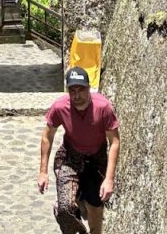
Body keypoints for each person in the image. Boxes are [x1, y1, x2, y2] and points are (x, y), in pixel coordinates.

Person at [37, 66, 120, 234]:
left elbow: (114, 142)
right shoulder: (60, 107)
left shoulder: (103, 107)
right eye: (72, 90)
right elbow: (47, 136)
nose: (77, 95)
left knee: (95, 203)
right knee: (65, 210)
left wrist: (109, 179)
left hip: (96, 159)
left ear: (89, 88)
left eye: (81, 90)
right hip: (70, 156)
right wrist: (43, 171)